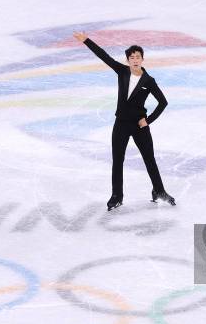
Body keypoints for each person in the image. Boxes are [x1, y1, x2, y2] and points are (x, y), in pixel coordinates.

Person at [72, 31, 176, 210]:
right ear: (128, 60)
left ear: (142, 59)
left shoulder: (148, 80)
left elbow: (163, 102)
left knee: (149, 159)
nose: (135, 59)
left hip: (139, 125)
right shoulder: (122, 71)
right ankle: (117, 196)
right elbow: (103, 55)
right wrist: (86, 41)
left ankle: (158, 190)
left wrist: (148, 120)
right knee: (117, 160)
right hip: (121, 123)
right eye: (132, 57)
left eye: (138, 57)